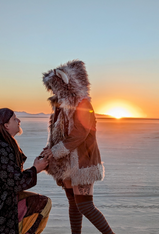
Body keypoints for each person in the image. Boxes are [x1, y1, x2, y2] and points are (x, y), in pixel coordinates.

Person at [40, 60, 115, 234]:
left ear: (67, 86)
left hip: (82, 162)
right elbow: (56, 135)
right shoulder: (60, 107)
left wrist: (55, 151)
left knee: (85, 205)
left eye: (56, 86)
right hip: (65, 163)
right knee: (74, 204)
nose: (54, 91)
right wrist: (48, 150)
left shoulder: (83, 105)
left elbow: (80, 133)